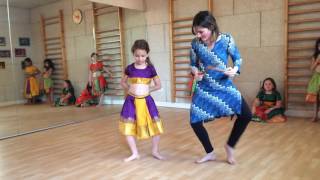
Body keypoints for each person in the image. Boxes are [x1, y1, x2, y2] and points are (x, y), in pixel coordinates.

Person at [189, 11, 252, 165]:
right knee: (195, 121)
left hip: (224, 86)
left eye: (201, 31)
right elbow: (193, 65)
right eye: (196, 32)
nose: (198, 35)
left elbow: (238, 59)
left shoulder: (227, 40)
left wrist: (234, 69)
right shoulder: (195, 44)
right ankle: (210, 152)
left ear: (211, 27)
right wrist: (195, 73)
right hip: (204, 87)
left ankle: (230, 146)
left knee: (246, 115)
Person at [119, 39, 164, 162]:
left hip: (146, 102)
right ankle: (135, 153)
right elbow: (122, 82)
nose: (140, 58)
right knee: (128, 128)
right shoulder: (129, 68)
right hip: (131, 102)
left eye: (143, 56)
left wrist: (148, 90)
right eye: (137, 56)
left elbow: (158, 85)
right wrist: (129, 89)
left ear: (147, 55)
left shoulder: (150, 69)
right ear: (133, 54)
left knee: (156, 127)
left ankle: (155, 151)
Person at [305, 38, 320, 122]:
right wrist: (317, 61)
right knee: (315, 98)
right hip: (316, 78)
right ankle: (315, 116)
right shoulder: (315, 56)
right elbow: (311, 68)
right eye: (319, 45)